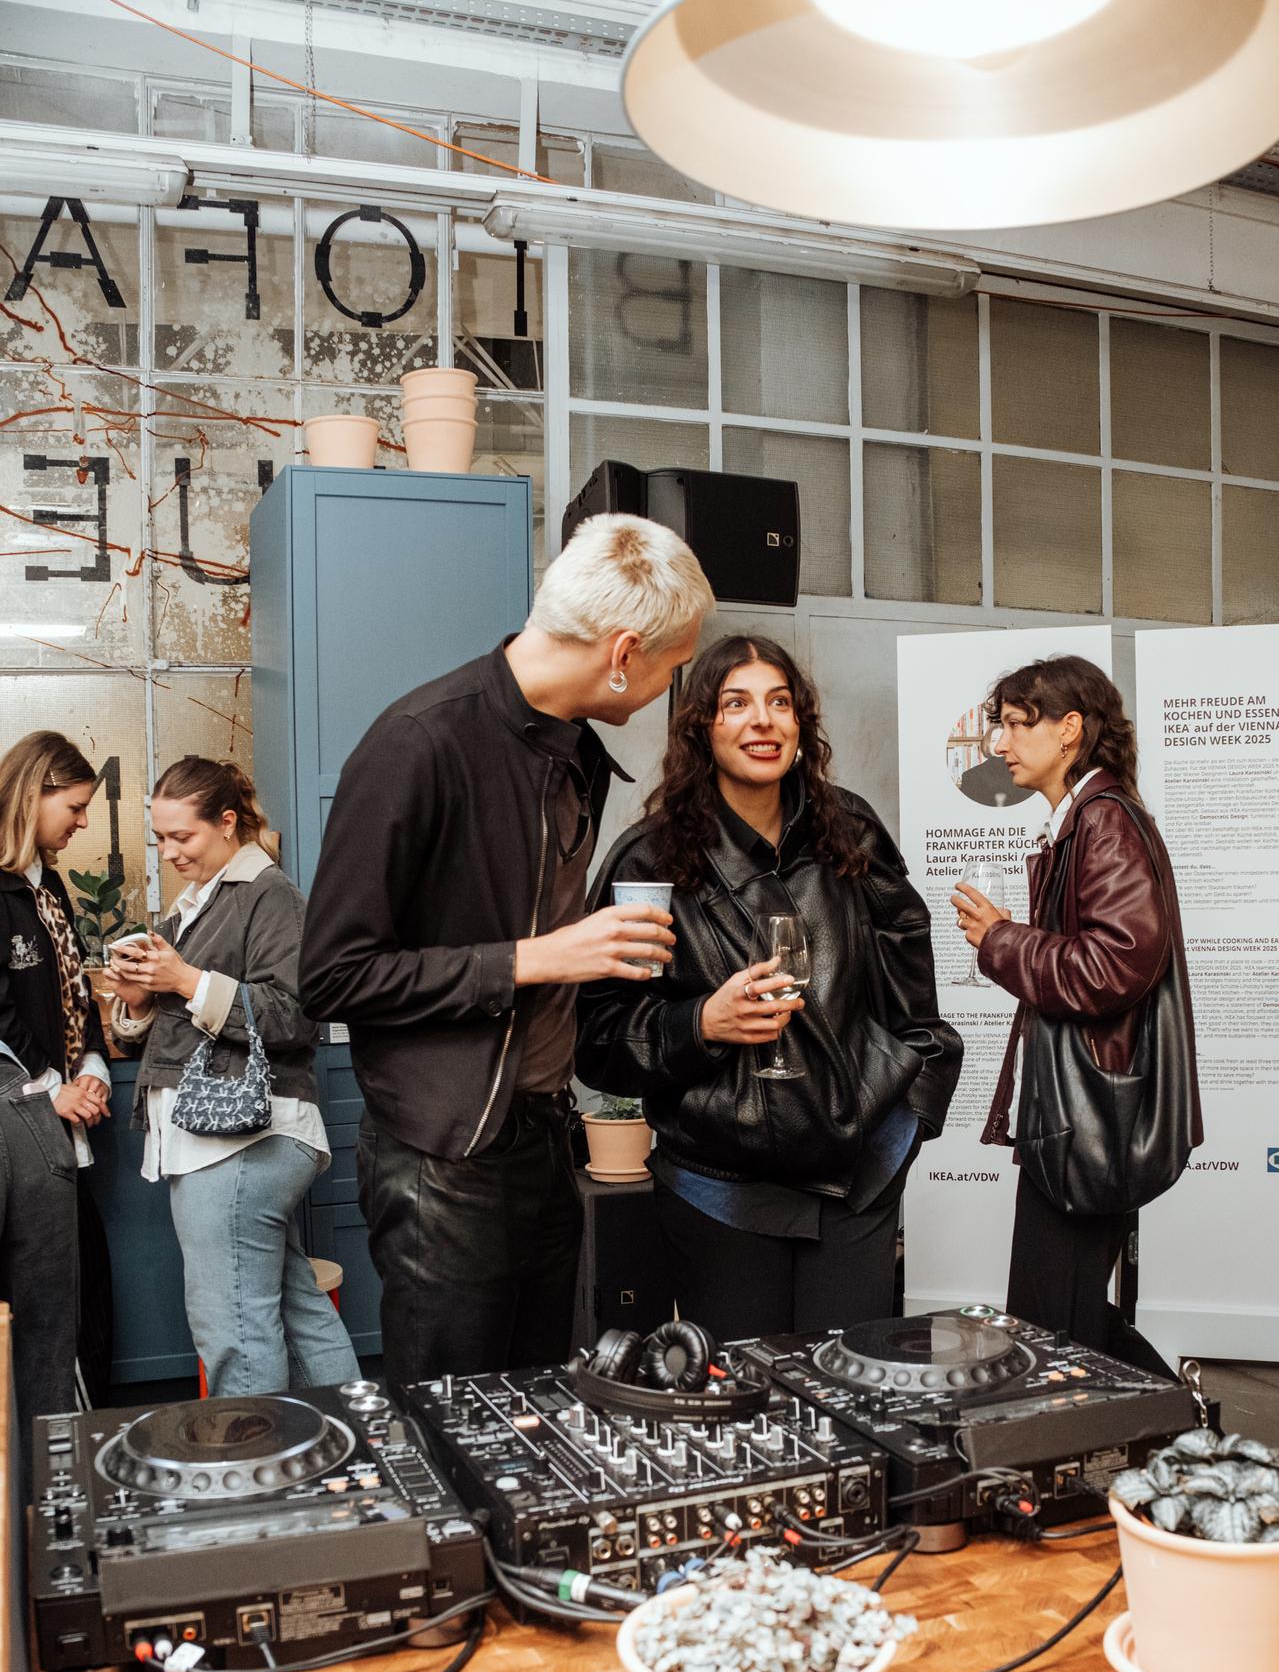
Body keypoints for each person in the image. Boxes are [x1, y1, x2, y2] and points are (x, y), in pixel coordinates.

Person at [299, 512, 715, 1390]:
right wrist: (537, 958)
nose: (665, 691)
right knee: (453, 1423)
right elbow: (332, 975)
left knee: (537, 1411)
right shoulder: (418, 743)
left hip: (541, 1137)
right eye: (672, 668)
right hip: (442, 1153)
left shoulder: (576, 758)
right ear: (624, 652)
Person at [576, 635, 960, 1344]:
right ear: (702, 727)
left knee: (854, 1400)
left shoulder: (852, 831)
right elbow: (598, 1040)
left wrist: (909, 1118)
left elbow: (916, 999)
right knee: (748, 1408)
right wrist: (701, 1024)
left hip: (858, 1181)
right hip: (720, 1190)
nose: (763, 721)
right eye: (737, 703)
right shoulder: (650, 861)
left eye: (780, 702)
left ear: (801, 723)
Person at [952, 653, 1201, 1368]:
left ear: (1070, 730)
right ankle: (1183, 1437)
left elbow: (1113, 966)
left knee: (1053, 1324)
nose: (999, 745)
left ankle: (1183, 1436)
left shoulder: (1102, 821)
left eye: (1013, 725)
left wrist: (1001, 940)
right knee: (1062, 1316)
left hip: (1087, 1118)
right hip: (1075, 1114)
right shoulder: (1085, 819)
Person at [107, 757, 357, 1398]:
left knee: (233, 1331)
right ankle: (363, 1450)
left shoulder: (270, 896)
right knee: (297, 1311)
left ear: (226, 822)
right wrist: (138, 997)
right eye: (160, 838)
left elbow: (296, 1017)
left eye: (181, 837)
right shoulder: (200, 903)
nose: (168, 854)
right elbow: (163, 1025)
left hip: (243, 1142)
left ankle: (254, 1477)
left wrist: (185, 981)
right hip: (230, 1143)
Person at [0, 731, 113, 1462]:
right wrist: (49, 1092)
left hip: (61, 1124)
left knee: (82, 1301)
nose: (79, 824)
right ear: (34, 791)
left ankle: (68, 1460)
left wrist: (96, 1062)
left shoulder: (50, 887)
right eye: (73, 808)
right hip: (23, 1129)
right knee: (44, 1309)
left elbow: (73, 998)